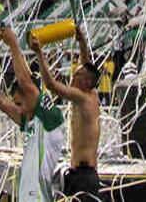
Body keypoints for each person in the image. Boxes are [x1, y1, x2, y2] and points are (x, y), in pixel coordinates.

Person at [0, 27, 64, 202]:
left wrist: (13, 43)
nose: (18, 109)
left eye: (19, 104)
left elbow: (25, 81)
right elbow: (3, 104)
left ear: (30, 95)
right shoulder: (32, 121)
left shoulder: (51, 118)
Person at [31, 28, 101, 202]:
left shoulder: (81, 98)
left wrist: (39, 53)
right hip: (83, 174)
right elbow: (86, 65)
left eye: (78, 75)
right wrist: (82, 41)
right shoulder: (91, 93)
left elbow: (50, 84)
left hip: (83, 177)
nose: (74, 75)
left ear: (86, 82)